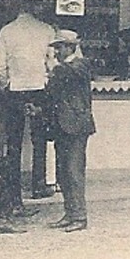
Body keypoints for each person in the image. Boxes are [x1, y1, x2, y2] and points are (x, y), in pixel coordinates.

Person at [0, 2, 56, 220]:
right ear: (35, 9)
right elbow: (52, 62)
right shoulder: (46, 29)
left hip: (15, 90)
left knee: (14, 145)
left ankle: (15, 197)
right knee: (40, 140)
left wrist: (6, 83)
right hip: (40, 89)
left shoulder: (7, 30)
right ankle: (39, 185)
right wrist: (45, 80)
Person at [45, 29, 96, 233]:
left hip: (76, 126)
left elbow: (67, 73)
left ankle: (80, 216)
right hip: (62, 125)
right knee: (63, 172)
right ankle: (70, 213)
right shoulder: (64, 67)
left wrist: (52, 66)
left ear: (70, 47)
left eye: (59, 47)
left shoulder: (80, 65)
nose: (56, 51)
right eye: (55, 47)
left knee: (74, 171)